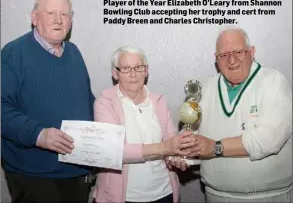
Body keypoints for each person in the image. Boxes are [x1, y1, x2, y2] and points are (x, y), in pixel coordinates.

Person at [1, 0, 95, 202]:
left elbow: (87, 100)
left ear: (71, 21)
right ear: (35, 18)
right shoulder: (13, 53)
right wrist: (39, 135)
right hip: (35, 176)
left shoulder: (74, 52)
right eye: (51, 13)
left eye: (64, 15)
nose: (58, 20)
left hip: (77, 172)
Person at [179, 27, 292, 202]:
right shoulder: (207, 87)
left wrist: (214, 147)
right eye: (223, 55)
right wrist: (183, 151)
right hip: (215, 196)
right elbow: (192, 128)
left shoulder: (273, 82)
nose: (232, 60)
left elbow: (268, 140)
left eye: (239, 52)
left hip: (268, 197)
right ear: (216, 59)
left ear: (252, 52)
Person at [92, 47, 193, 203]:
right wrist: (165, 148)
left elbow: (171, 140)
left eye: (138, 68)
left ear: (146, 71)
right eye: (126, 69)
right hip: (122, 198)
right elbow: (112, 151)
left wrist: (177, 156)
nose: (133, 74)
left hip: (163, 193)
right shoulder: (105, 103)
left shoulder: (159, 101)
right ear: (115, 73)